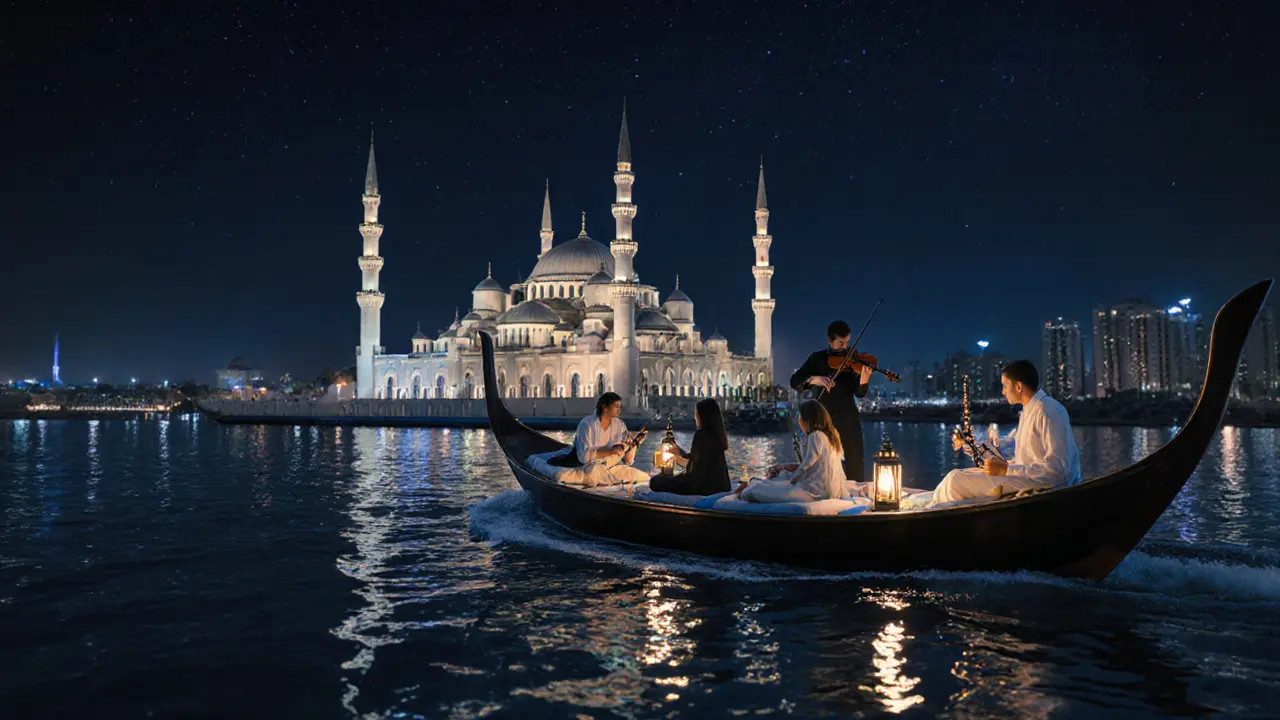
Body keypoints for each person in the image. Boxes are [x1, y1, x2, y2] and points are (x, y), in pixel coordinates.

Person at [930, 360, 1082, 505]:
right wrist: (972, 447)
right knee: (957, 474)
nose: (1003, 392)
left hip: (1046, 485)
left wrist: (1007, 469)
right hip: (1030, 477)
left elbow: (1057, 471)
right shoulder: (1029, 410)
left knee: (955, 481)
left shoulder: (1047, 410)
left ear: (1018, 387)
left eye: (1004, 386)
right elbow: (1024, 459)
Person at [790, 320, 874, 481]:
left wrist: (863, 382)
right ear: (830, 341)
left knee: (854, 461)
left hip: (848, 418)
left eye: (847, 342)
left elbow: (859, 393)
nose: (845, 347)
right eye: (840, 343)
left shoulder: (852, 360)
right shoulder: (817, 359)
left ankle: (853, 499)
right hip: (823, 420)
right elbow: (794, 381)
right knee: (823, 462)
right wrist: (814, 379)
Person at [738, 400, 849, 503]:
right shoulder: (831, 437)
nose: (798, 420)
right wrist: (784, 468)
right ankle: (752, 483)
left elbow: (807, 464)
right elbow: (815, 465)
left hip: (815, 492)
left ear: (808, 419)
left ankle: (747, 489)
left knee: (755, 491)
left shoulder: (816, 436)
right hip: (829, 490)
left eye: (800, 416)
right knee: (775, 480)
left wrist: (792, 482)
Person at [558, 391, 650, 486]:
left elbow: (628, 461)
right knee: (594, 474)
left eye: (619, 407)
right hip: (589, 466)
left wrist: (635, 444)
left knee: (642, 476)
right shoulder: (587, 424)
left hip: (611, 467)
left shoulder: (620, 425)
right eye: (616, 406)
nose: (619, 410)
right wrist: (610, 451)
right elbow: (583, 457)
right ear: (604, 407)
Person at [648, 398, 731, 496]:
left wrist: (676, 477)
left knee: (655, 481)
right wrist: (679, 452)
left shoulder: (701, 435)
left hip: (703, 487)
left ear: (701, 416)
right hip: (721, 486)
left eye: (696, 414)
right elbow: (697, 461)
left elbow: (694, 474)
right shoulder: (717, 435)